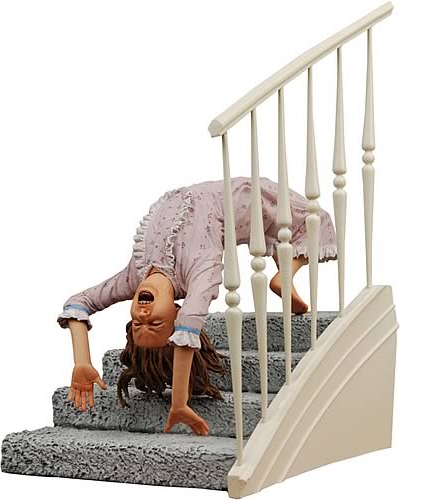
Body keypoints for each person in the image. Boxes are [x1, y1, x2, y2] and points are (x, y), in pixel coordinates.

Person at [57, 177, 337, 436]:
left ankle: (285, 275)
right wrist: (178, 402)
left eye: (138, 323)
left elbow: (78, 303)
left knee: (277, 233)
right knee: (315, 219)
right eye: (155, 323)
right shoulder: (200, 272)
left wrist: (82, 361)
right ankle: (285, 275)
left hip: (203, 196)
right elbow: (189, 327)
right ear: (177, 313)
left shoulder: (134, 276)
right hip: (235, 199)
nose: (143, 314)